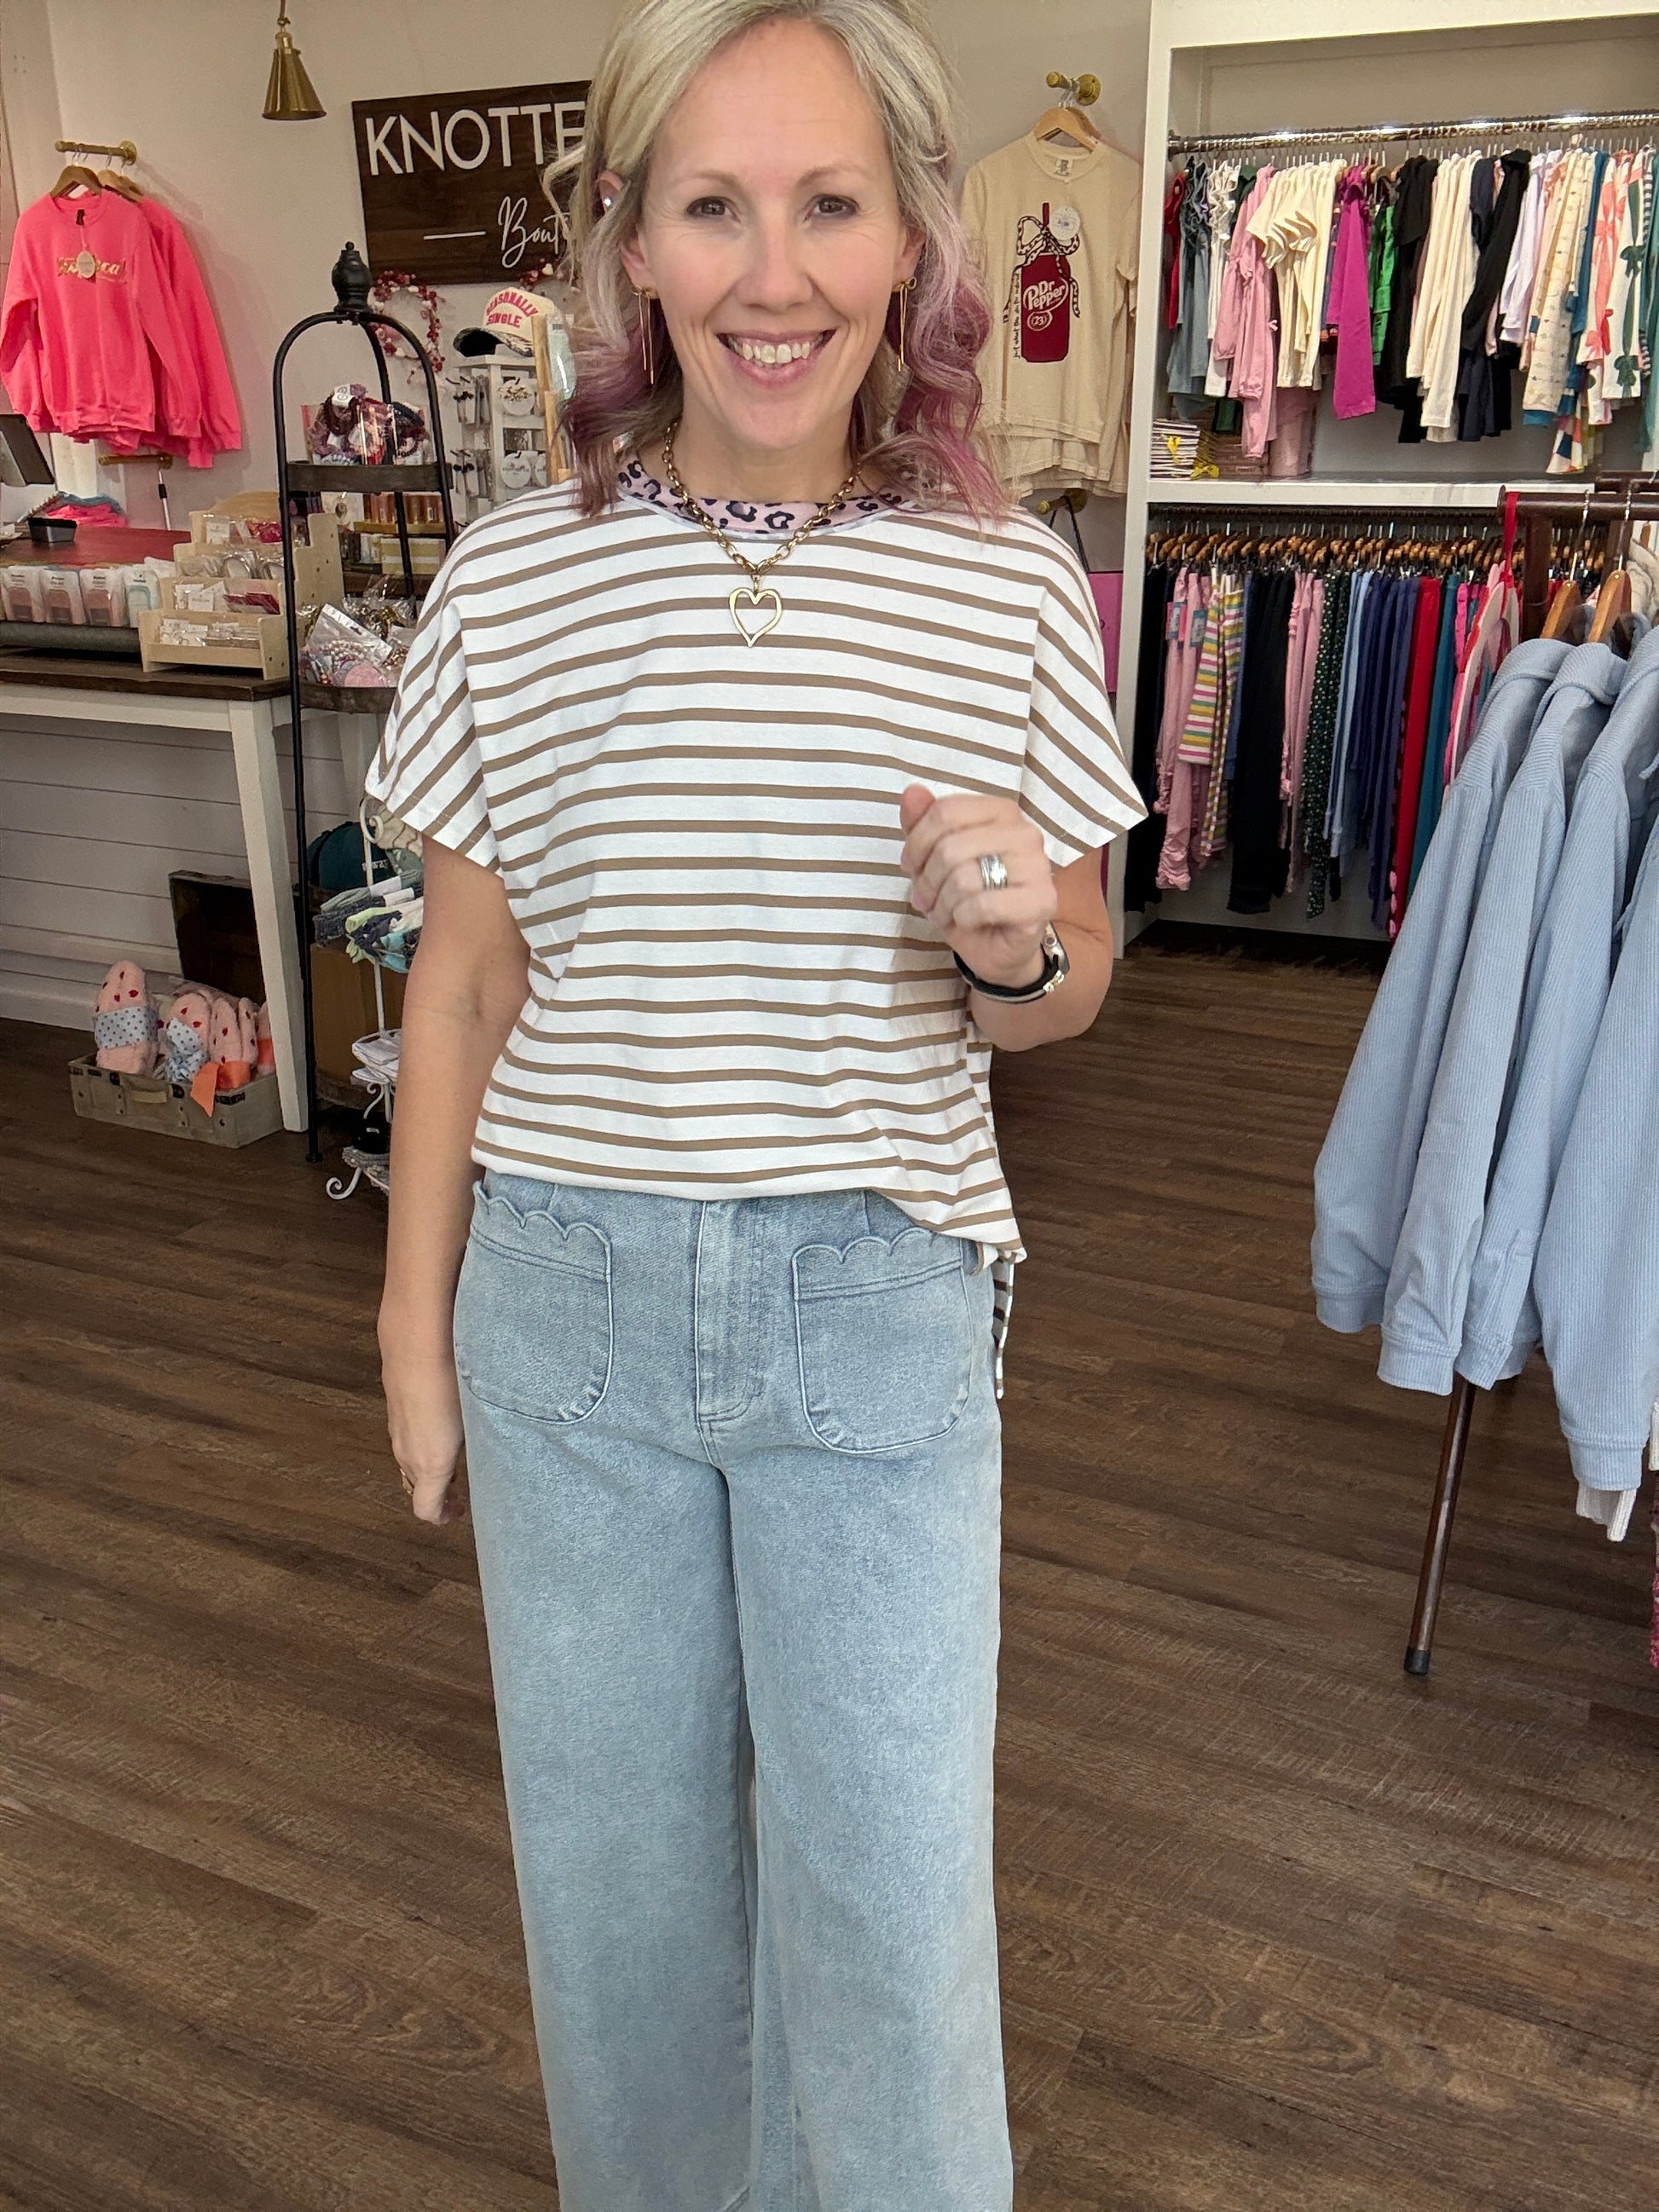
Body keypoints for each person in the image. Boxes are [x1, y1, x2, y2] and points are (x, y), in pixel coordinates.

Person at [367, 2, 1143, 2205]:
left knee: (888, 1916)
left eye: (827, 204)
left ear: (909, 240)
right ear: (632, 241)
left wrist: (1014, 935)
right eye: (713, 206)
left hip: (874, 1306)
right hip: (566, 1319)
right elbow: (463, 983)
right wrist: (413, 1335)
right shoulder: (512, 577)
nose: (772, 274)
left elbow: (1061, 995)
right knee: (615, 1907)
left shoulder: (1008, 582)